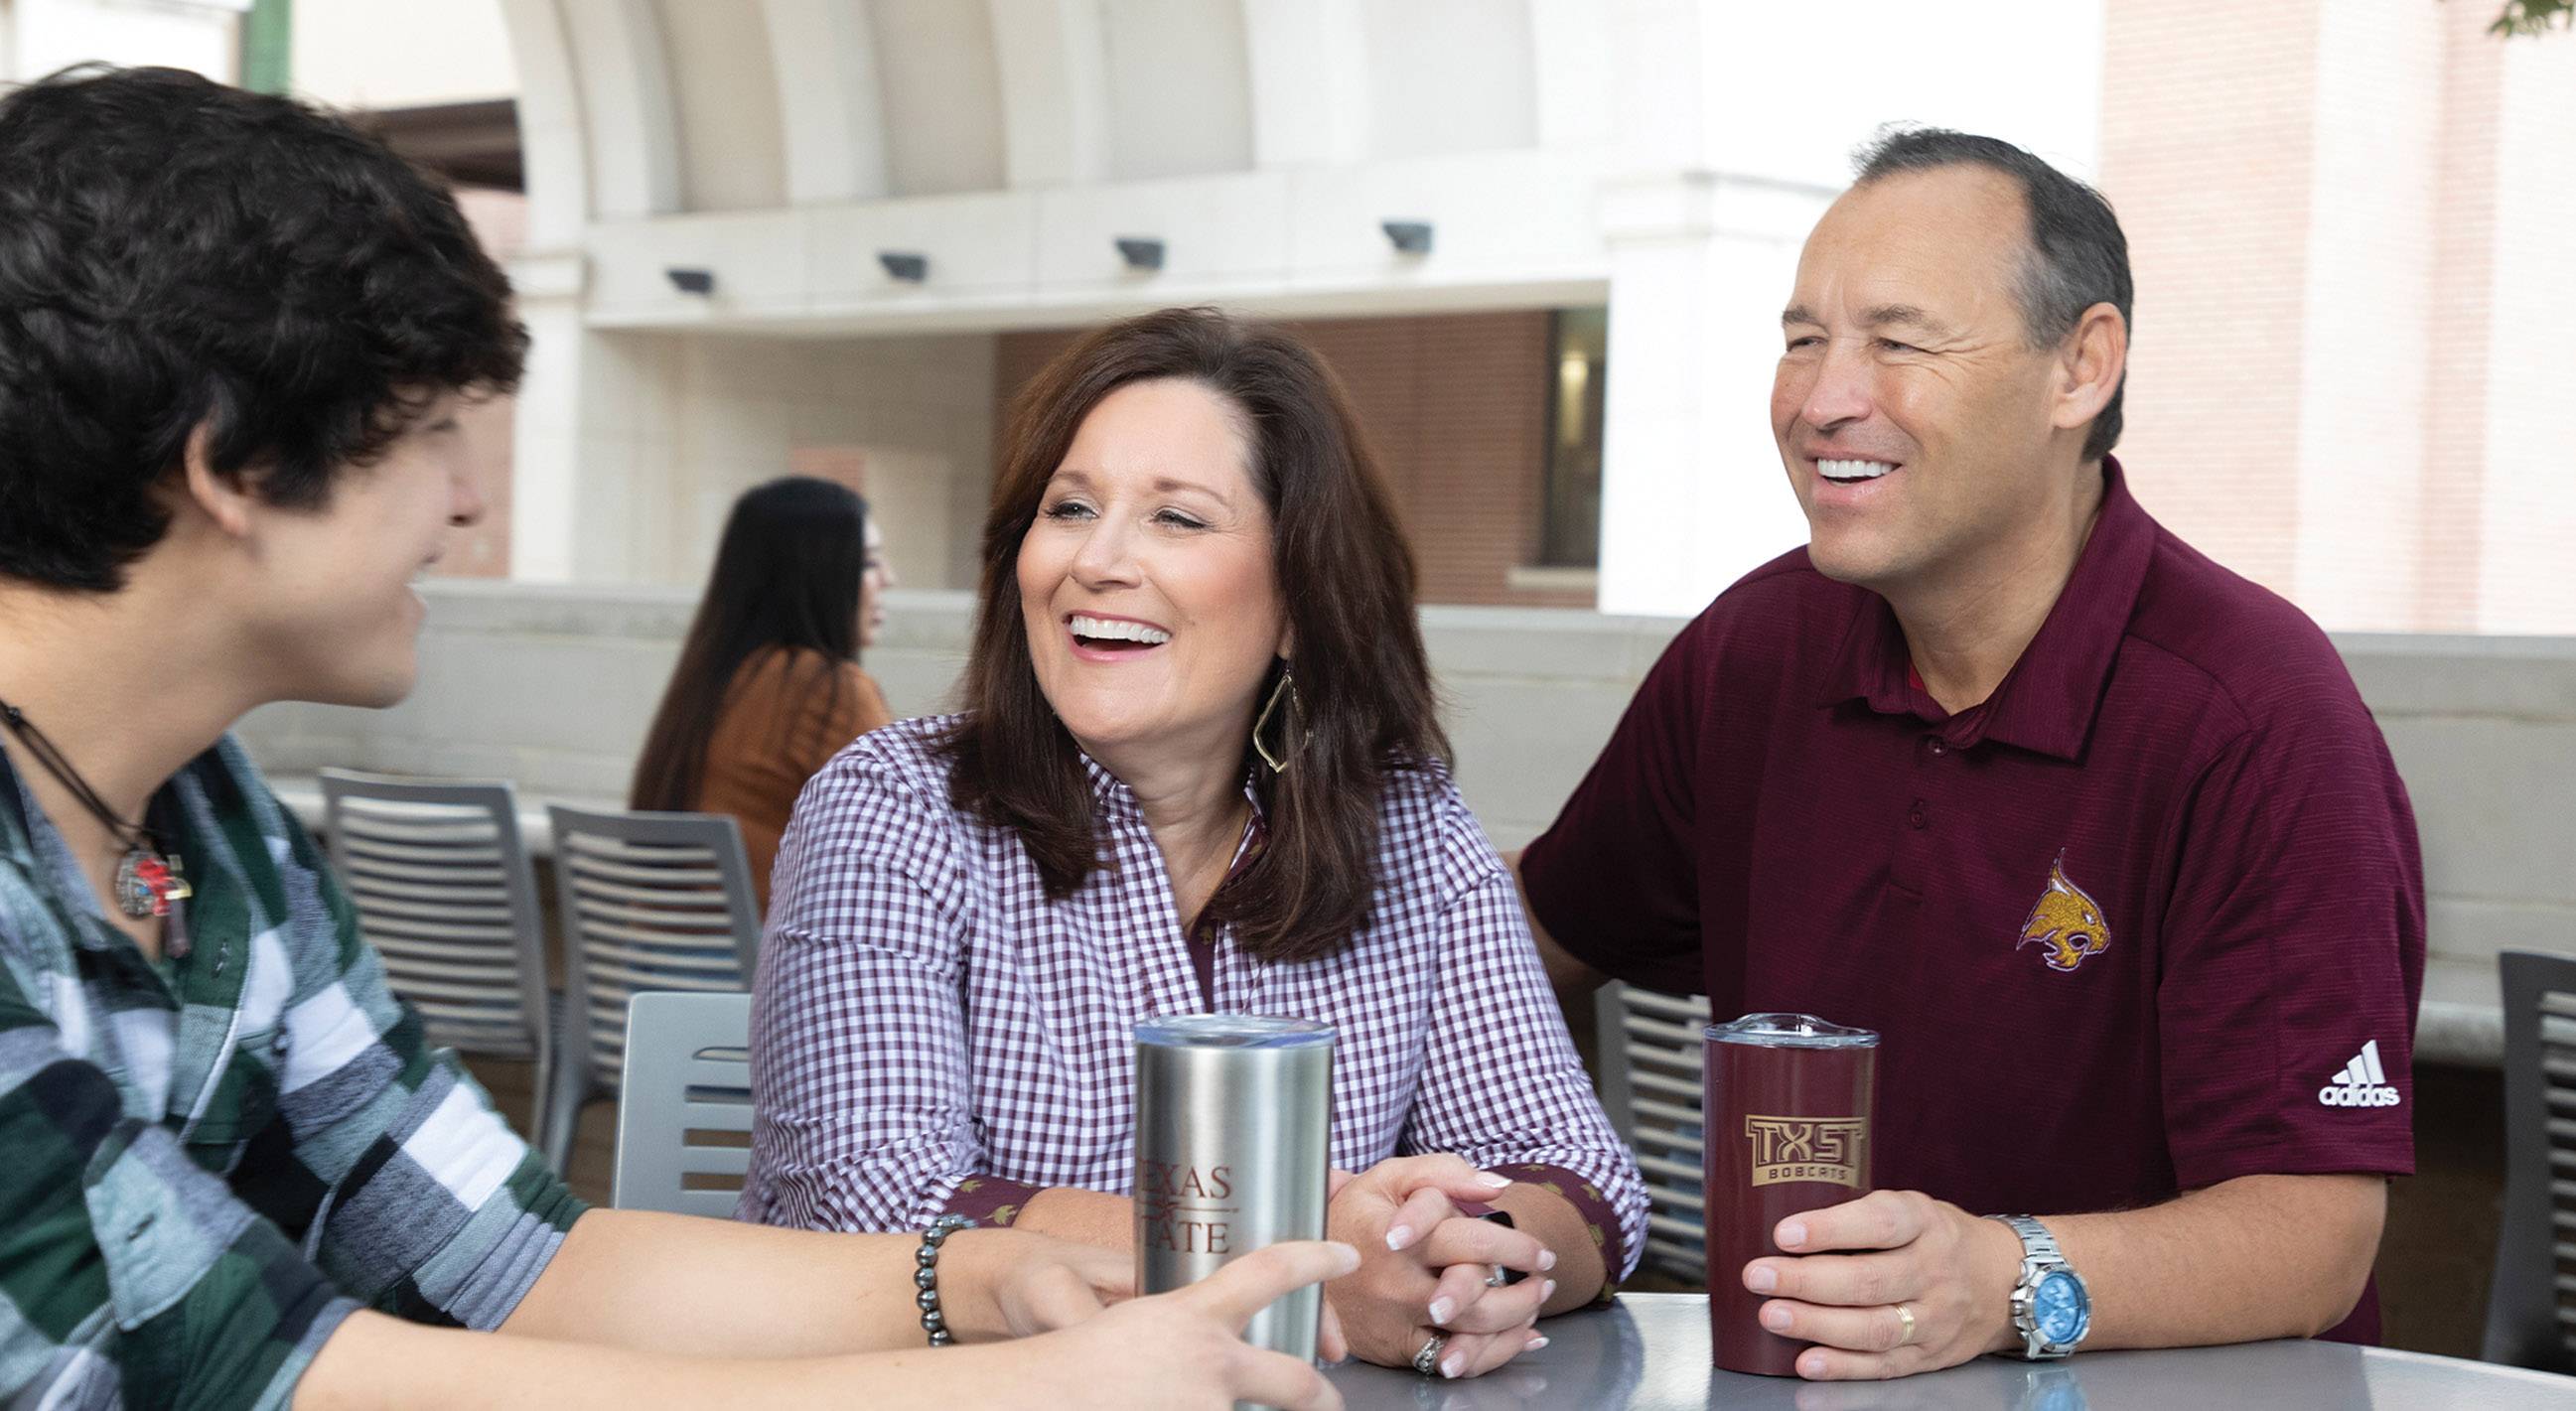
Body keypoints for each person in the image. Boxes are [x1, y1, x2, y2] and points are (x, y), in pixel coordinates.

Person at [0, 67, 1354, 1411]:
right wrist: (1016, 1388)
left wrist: (979, 1284)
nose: (468, 502)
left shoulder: (209, 827)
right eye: (429, 435)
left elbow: (509, 1252)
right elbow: (251, 1370)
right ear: (228, 464)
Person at [1511, 127, 2425, 1381]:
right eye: (1799, 340)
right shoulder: (1752, 652)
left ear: (2080, 367)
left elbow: (2314, 1234)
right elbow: (1522, 936)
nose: (1821, 396)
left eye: (1896, 341)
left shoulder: (2249, 712)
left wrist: (2003, 1276)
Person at [741, 307, 1650, 1379]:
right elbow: (873, 1202)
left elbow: (1582, 1178)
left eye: (1177, 518)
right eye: (1069, 508)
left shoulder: (1409, 829)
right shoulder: (894, 806)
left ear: (1299, 601)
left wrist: (1465, 1254)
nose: (1099, 558)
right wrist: (1300, 1266)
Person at [631, 476, 896, 910]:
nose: (888, 578)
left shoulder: (715, 681)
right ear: (815, 573)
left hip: (653, 960)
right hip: (755, 971)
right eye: (867, 563)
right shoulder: (827, 689)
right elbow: (907, 841)